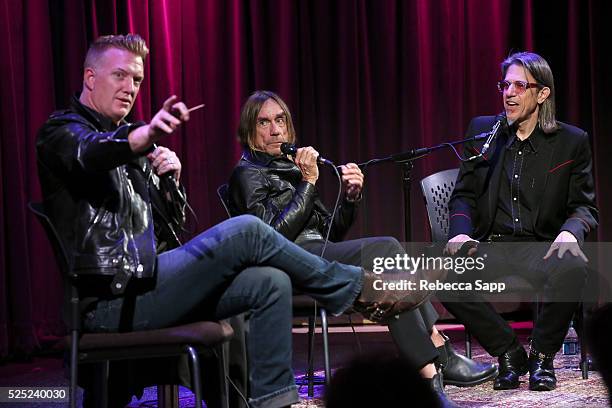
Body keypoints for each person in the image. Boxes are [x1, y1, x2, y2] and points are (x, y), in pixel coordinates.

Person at [36, 34, 426, 408]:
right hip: (109, 299)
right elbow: (88, 153)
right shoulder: (62, 132)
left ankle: (273, 403)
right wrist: (142, 137)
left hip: (150, 280)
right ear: (90, 77)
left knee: (267, 282)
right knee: (248, 230)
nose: (130, 86)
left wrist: (170, 183)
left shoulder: (129, 143)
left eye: (136, 79)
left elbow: (170, 230)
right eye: (119, 75)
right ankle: (355, 288)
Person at [227, 90, 498, 406]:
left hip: (317, 252)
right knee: (386, 249)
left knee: (388, 263)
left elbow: (332, 231)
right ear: (249, 130)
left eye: (280, 121)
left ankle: (434, 355)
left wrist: (351, 197)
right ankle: (432, 362)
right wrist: (309, 184)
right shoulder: (247, 174)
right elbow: (272, 237)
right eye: (264, 122)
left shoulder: (289, 168)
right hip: (286, 262)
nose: (275, 130)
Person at [443, 51, 598, 391]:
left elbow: (584, 207)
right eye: (505, 84)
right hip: (493, 244)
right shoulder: (484, 131)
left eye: (519, 85)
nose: (509, 93)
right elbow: (464, 195)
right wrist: (460, 234)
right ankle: (509, 352)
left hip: (542, 246)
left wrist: (571, 233)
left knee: (573, 268)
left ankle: (542, 358)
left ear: (542, 94)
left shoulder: (571, 141)